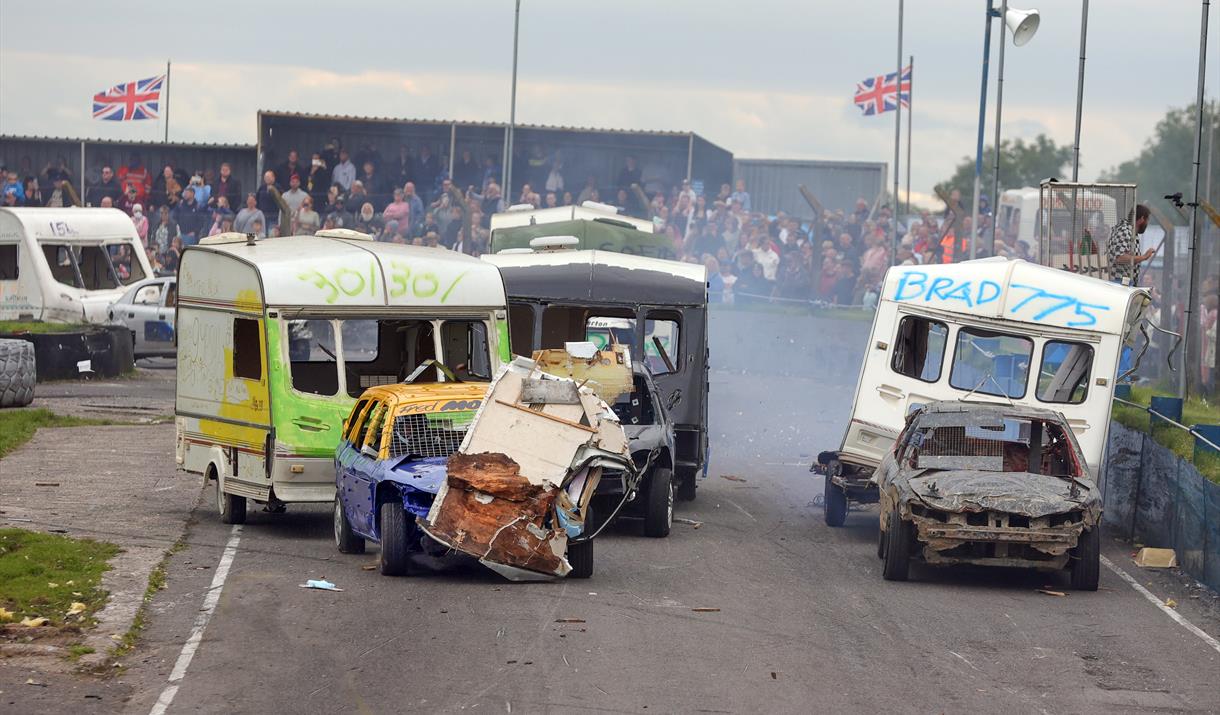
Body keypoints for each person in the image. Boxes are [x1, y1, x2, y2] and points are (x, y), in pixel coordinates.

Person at [1106, 205, 1154, 286]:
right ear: (1142, 219)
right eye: (1147, 220)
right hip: (1118, 282)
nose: (1147, 223)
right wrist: (1144, 257)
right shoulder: (1124, 231)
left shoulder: (1131, 233)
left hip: (1124, 282)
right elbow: (1119, 258)